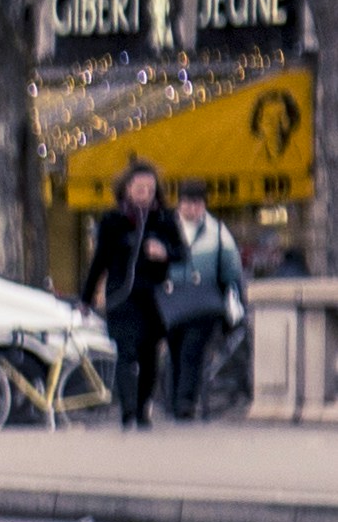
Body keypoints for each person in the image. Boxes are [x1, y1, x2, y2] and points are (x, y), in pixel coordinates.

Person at [84, 163, 183, 429]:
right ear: (127, 189)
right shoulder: (113, 220)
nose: (145, 194)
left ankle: (142, 408)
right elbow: (100, 260)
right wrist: (86, 298)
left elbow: (182, 252)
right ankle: (127, 410)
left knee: (149, 354)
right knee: (125, 351)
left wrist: (164, 252)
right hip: (122, 295)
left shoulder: (163, 218)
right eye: (140, 189)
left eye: (150, 189)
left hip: (152, 296)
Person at [168, 188, 249, 419]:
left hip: (204, 301)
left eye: (197, 203)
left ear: (203, 205)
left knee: (191, 351)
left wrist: (235, 295)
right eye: (187, 203)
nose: (192, 208)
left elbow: (232, 269)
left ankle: (185, 403)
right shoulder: (166, 228)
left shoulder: (217, 231)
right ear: (179, 204)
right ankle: (175, 399)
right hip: (171, 301)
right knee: (175, 351)